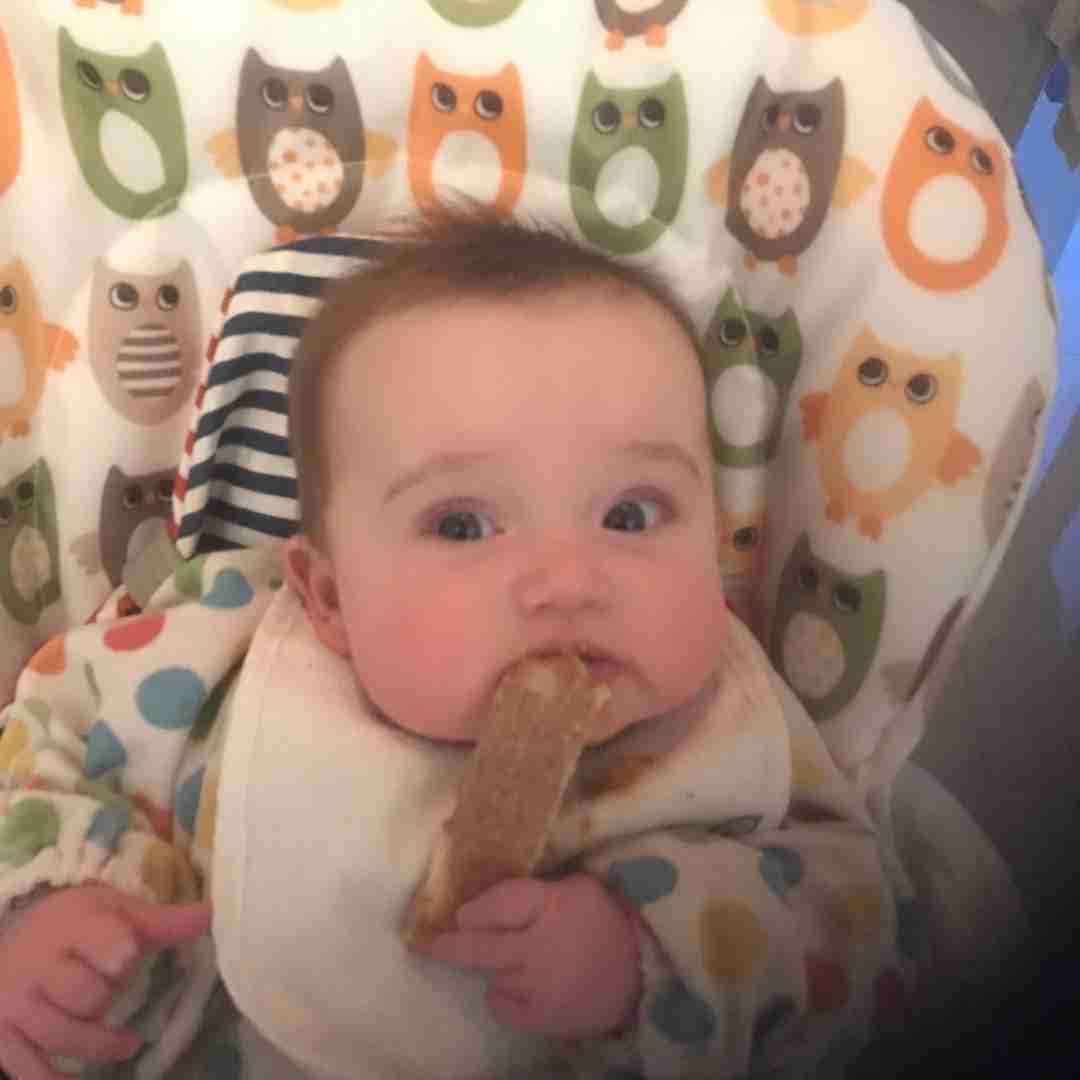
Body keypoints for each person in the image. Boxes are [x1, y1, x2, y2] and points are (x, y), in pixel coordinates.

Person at [0, 217, 916, 1079]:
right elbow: (43, 737)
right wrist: (50, 907)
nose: (569, 579)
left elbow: (865, 924)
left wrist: (653, 952)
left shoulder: (733, 720)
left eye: (631, 514)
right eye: (464, 523)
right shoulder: (219, 656)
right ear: (327, 595)